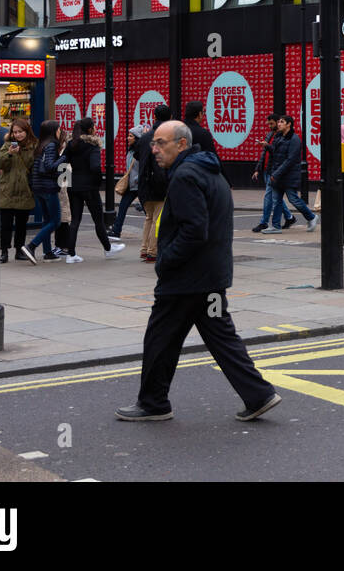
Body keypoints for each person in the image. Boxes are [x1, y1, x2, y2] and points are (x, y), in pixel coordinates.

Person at [116, 120, 281, 424]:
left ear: (181, 144)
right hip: (210, 276)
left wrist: (165, 261)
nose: (154, 150)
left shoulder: (186, 176)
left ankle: (153, 403)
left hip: (186, 280)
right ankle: (258, 395)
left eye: (161, 143)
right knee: (221, 337)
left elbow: (194, 231)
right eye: (153, 143)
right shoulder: (209, 170)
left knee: (159, 339)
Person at [62, 117, 125, 262]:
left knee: (75, 220)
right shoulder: (93, 145)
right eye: (94, 126)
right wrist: (97, 182)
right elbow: (95, 167)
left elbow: (63, 163)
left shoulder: (71, 144)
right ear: (90, 129)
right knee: (98, 220)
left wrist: (65, 180)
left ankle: (71, 254)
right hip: (89, 187)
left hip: (73, 185)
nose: (95, 128)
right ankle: (108, 249)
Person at [264, 115, 317, 233]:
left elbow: (290, 160)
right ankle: (275, 226)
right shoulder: (279, 137)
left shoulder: (294, 139)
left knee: (293, 199)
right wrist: (267, 146)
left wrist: (276, 173)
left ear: (289, 124)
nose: (279, 124)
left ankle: (312, 217)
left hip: (288, 176)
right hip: (278, 175)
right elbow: (276, 154)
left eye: (282, 122)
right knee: (276, 201)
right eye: (279, 122)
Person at [134, 104, 172, 263]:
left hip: (144, 183)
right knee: (158, 218)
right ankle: (153, 251)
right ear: (169, 118)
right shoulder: (166, 137)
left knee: (149, 217)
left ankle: (144, 248)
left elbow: (136, 155)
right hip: (159, 183)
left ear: (154, 117)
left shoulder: (144, 137)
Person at [0, 117, 38, 265]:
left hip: (25, 190)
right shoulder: (7, 145)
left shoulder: (34, 146)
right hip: (7, 189)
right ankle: (3, 251)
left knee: (22, 224)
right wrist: (9, 154)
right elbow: (1, 164)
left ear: (27, 131)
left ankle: (19, 250)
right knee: (6, 225)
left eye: (20, 132)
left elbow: (34, 165)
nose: (17, 135)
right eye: (15, 132)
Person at [25, 120, 65, 262]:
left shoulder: (40, 145)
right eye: (58, 128)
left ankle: (48, 252)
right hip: (48, 187)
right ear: (53, 131)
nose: (60, 131)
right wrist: (64, 157)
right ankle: (31, 245)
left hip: (38, 187)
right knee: (55, 221)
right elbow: (50, 166)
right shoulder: (52, 145)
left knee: (47, 219)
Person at [250, 114, 289, 233]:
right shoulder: (270, 134)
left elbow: (279, 153)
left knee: (269, 196)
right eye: (268, 124)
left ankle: (264, 222)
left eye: (271, 123)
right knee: (275, 197)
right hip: (267, 169)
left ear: (278, 122)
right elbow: (264, 154)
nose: (269, 126)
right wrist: (257, 169)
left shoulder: (282, 136)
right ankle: (289, 217)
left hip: (275, 171)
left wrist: (268, 146)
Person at [109, 127, 145, 238]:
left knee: (149, 211)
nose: (127, 138)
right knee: (123, 207)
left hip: (140, 184)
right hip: (131, 185)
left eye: (131, 136)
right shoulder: (130, 150)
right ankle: (116, 231)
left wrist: (137, 179)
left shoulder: (141, 152)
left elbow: (144, 167)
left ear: (137, 138)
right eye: (128, 135)